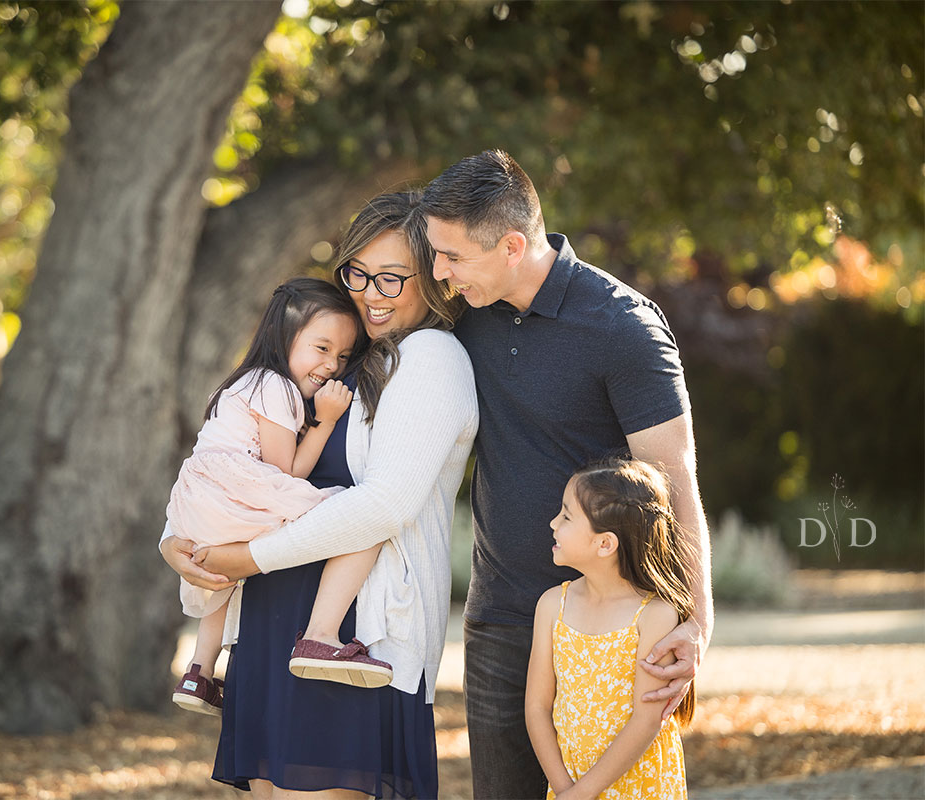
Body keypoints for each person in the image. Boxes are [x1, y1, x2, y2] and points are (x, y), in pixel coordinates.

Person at [161, 190, 477, 799]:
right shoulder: (340, 359)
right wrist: (180, 543)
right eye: (357, 272)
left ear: (436, 277)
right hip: (273, 620)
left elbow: (386, 504)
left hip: (351, 634)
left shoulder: (430, 357)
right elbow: (237, 467)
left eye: (391, 278)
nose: (368, 292)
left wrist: (247, 558)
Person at [420, 150, 713, 799]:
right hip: (500, 617)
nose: (439, 274)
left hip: (609, 628)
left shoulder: (622, 326)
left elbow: (675, 477)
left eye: (452, 256)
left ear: (512, 245)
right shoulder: (466, 316)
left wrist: (697, 620)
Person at [168, 277, 401, 716]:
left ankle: (199, 671)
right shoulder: (274, 387)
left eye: (343, 356)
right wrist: (326, 420)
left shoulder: (243, 383)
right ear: (284, 337)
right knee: (361, 517)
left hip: (196, 503)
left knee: (223, 577)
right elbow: (285, 472)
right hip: (236, 490)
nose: (332, 365)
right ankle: (321, 634)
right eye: (322, 348)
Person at [525, 458, 694, 799]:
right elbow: (537, 708)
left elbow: (647, 721)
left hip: (640, 787)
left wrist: (582, 793)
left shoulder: (654, 616)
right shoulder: (551, 606)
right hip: (569, 785)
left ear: (605, 544)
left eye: (567, 516)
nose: (553, 523)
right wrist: (564, 789)